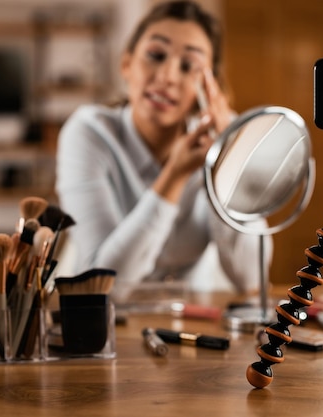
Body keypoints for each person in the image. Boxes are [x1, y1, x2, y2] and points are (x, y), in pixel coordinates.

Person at [55, 1, 271, 302]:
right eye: (156, 55)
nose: (168, 75)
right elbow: (106, 291)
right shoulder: (89, 133)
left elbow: (252, 279)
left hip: (192, 322)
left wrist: (227, 161)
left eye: (188, 66)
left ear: (209, 88)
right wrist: (174, 177)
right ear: (126, 64)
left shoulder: (223, 140)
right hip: (103, 327)